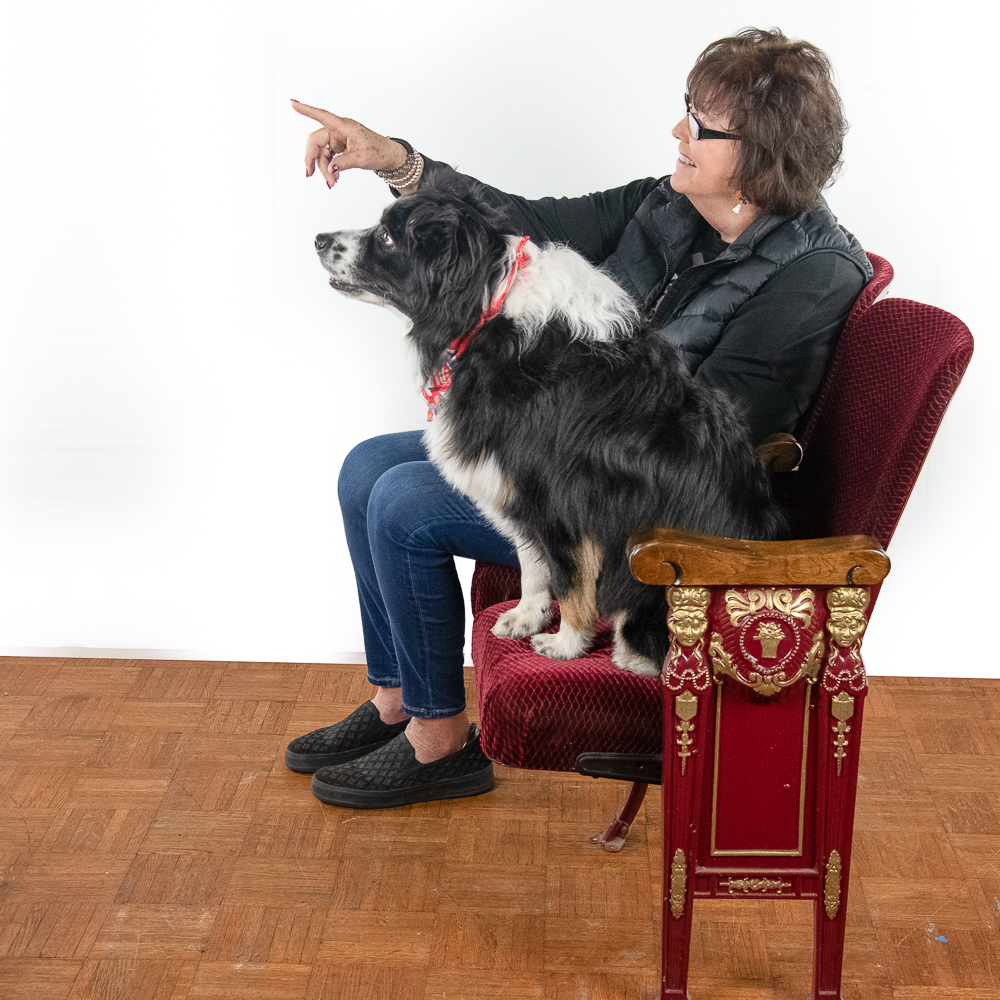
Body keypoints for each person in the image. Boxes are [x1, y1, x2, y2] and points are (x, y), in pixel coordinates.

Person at [284, 28, 873, 810]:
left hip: (643, 509)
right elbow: (521, 219)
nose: (678, 130)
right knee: (367, 467)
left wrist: (552, 377)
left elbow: (706, 429)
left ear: (761, 154)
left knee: (402, 503)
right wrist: (396, 161)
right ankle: (397, 698)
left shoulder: (814, 272)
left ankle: (437, 742)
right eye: (687, 109)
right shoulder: (670, 203)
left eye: (702, 124)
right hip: (567, 449)